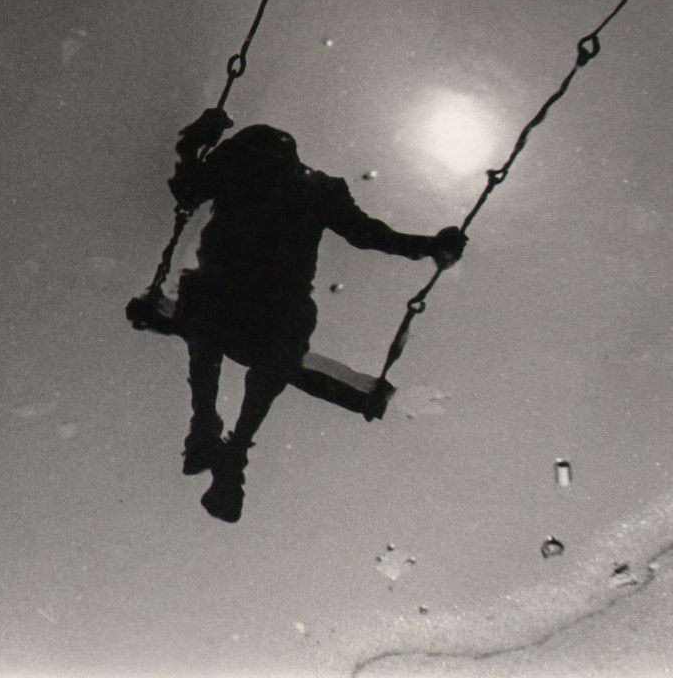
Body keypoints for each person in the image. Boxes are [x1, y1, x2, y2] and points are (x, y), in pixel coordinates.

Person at [141, 107, 467, 523]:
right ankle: (224, 443)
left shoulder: (250, 176)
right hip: (264, 309)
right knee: (262, 351)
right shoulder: (309, 187)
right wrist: (428, 246)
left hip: (241, 303)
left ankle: (209, 430)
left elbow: (187, 190)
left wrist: (194, 141)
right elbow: (367, 234)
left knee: (212, 328)